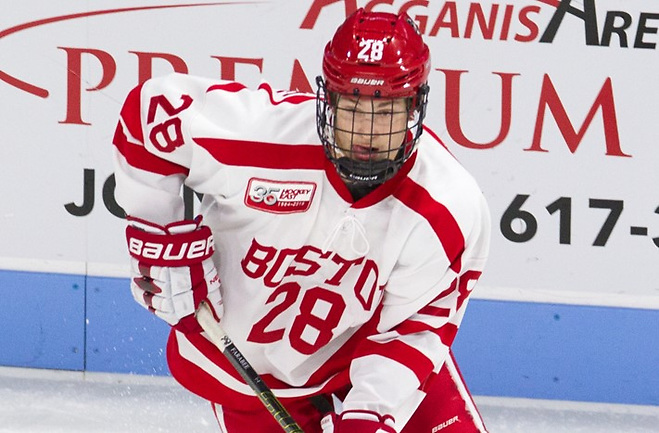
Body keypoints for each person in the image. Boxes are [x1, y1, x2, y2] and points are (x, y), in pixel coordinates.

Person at [112, 8, 491, 433]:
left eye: (385, 113)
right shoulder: (266, 136)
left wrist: (369, 416)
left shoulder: (448, 206)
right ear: (326, 100)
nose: (366, 132)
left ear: (415, 108)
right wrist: (158, 235)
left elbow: (413, 330)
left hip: (370, 355)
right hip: (249, 373)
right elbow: (149, 115)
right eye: (351, 108)